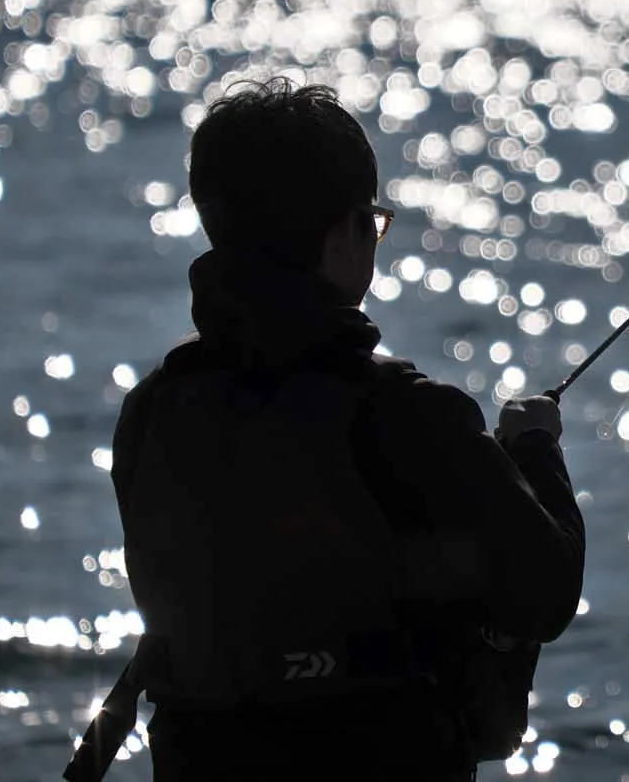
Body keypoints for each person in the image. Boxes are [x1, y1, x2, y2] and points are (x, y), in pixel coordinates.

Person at [66, 78, 585, 781]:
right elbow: (545, 594)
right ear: (346, 234)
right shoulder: (406, 413)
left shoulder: (154, 410)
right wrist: (534, 447)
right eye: (373, 223)